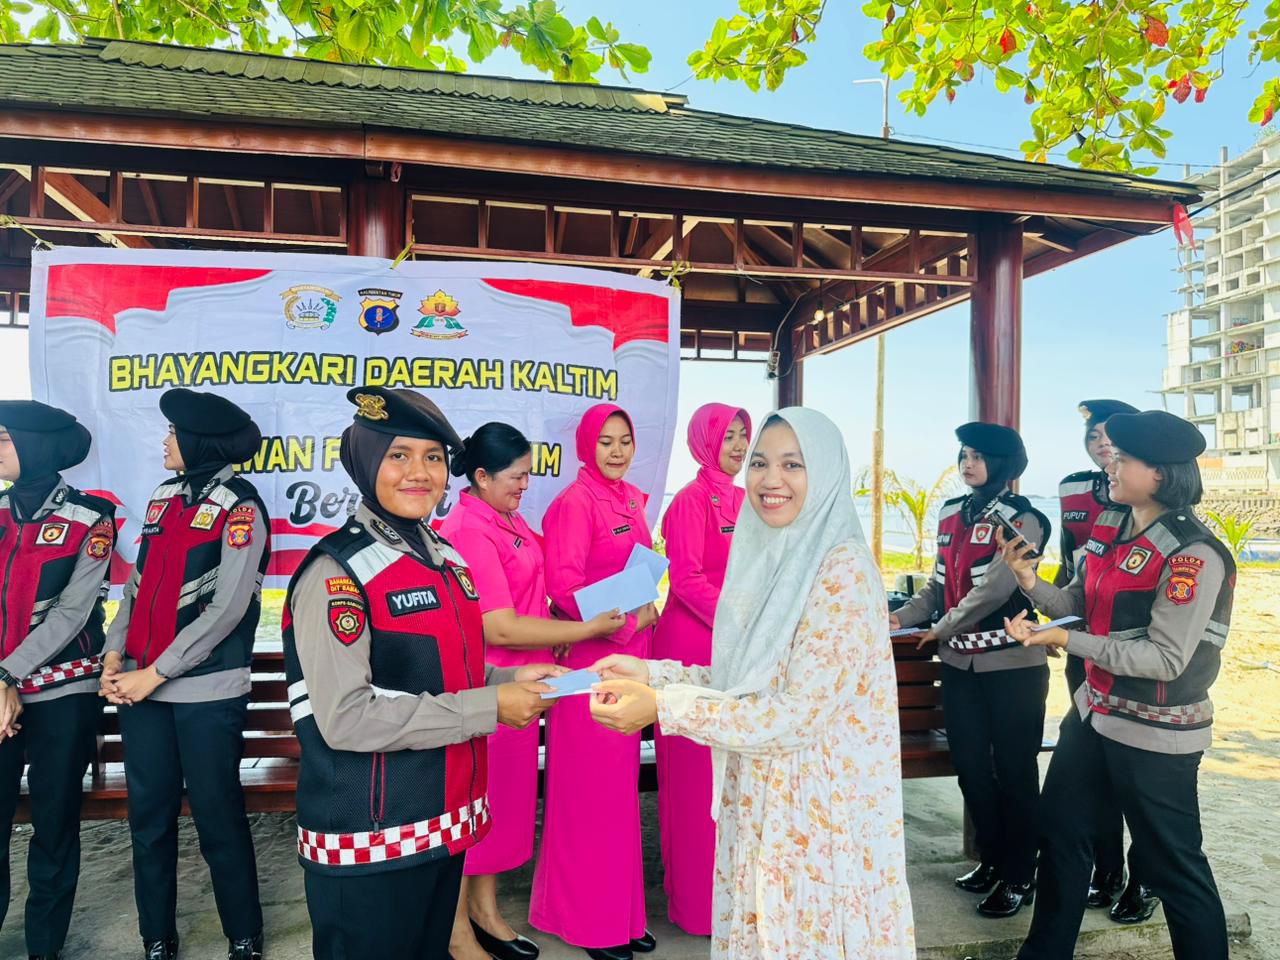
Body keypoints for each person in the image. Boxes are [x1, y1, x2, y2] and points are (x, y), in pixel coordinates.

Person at [586, 408, 915, 960]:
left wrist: (663, 707)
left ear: (827, 472)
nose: (769, 478)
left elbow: (796, 715)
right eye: (759, 463)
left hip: (816, 817)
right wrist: (651, 673)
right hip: (764, 804)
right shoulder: (775, 555)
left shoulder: (843, 571)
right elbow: (745, 677)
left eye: (793, 464)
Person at [282, 388, 565, 960]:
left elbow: (444, 670)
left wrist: (503, 682)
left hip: (442, 825)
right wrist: (490, 707)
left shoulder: (444, 558)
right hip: (370, 838)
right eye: (399, 456)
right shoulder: (337, 570)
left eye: (433, 457)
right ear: (368, 464)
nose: (419, 473)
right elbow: (346, 716)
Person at [988, 409, 1233, 960]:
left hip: (1156, 732)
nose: (1108, 467)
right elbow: (1077, 603)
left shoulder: (1193, 554)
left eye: (1122, 459)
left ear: (1160, 473)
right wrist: (1030, 582)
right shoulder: (1110, 527)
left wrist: (1063, 640)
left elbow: (1164, 659)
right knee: (1060, 837)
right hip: (1095, 714)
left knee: (1174, 868)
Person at [440, 422, 625, 960]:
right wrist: (582, 630)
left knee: (498, 811)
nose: (525, 485)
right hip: (487, 686)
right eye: (516, 476)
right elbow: (498, 627)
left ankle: (486, 912)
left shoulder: (508, 518)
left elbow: (530, 595)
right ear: (481, 476)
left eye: (527, 475)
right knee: (470, 809)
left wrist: (553, 628)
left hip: (526, 685)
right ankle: (456, 930)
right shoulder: (469, 528)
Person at [99, 387, 268, 960]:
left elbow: (228, 608)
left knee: (218, 816)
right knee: (148, 820)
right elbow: (137, 585)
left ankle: (243, 934)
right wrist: (115, 655)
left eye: (173, 432)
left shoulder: (241, 507)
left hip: (206, 691)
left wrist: (155, 673)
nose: (165, 441)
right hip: (142, 687)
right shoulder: (163, 498)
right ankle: (157, 937)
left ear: (200, 440)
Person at [890, 422, 1051, 918]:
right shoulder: (951, 513)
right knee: (972, 770)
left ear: (1003, 463)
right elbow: (938, 585)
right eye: (964, 454)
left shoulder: (1024, 519)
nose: (968, 463)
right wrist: (899, 617)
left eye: (978, 456)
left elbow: (994, 591)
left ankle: (1020, 874)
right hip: (960, 665)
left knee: (1015, 772)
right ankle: (993, 859)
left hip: (1012, 666)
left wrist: (940, 626)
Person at [529, 403, 658, 960]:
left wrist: (647, 609)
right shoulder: (574, 503)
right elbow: (564, 587)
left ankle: (621, 913)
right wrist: (631, 619)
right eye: (605, 441)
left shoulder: (629, 498)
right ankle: (587, 921)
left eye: (624, 440)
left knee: (617, 797)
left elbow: (642, 570)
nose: (617, 450)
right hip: (589, 665)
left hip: (630, 658)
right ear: (587, 445)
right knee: (587, 795)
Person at [0, 401, 114, 960]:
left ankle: (44, 946)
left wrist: (7, 674)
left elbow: (72, 614)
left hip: (64, 697)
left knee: (53, 824)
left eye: (3, 439)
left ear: (35, 446)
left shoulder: (92, 518)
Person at [650, 402, 750, 936]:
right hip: (693, 647)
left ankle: (729, 900)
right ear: (704, 440)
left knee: (727, 785)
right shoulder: (690, 500)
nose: (738, 445)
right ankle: (695, 907)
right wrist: (740, 622)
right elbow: (686, 580)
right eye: (727, 435)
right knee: (692, 787)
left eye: (742, 434)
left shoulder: (746, 497)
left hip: (733, 650)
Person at [1055, 399, 1152, 921]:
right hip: (1082, 641)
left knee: (1137, 773)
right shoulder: (1073, 489)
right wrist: (1053, 617)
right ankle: (1107, 869)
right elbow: (1068, 566)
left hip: (1136, 653)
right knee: (1092, 766)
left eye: (1112, 439)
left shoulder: (1155, 500)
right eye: (1094, 436)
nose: (1102, 446)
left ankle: (1145, 879)